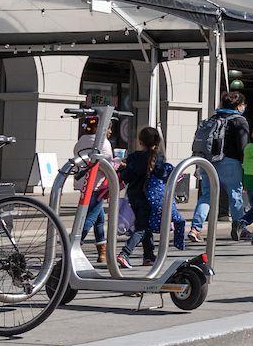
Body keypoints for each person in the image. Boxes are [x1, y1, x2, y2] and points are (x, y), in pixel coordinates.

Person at [117, 127, 185, 268]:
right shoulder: (157, 158)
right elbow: (162, 175)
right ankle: (125, 253)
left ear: (140, 141)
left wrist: (123, 167)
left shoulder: (134, 157)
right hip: (149, 198)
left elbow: (126, 176)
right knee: (142, 228)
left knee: (145, 226)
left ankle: (148, 256)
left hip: (133, 196)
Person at [189, 91, 250, 244]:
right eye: (243, 104)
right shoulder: (239, 121)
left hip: (208, 161)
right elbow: (243, 146)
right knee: (235, 195)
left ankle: (195, 229)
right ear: (238, 105)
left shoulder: (212, 118)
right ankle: (239, 228)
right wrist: (245, 166)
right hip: (230, 162)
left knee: (207, 196)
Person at [73, 114, 114, 263]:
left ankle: (101, 252)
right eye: (108, 128)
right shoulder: (104, 142)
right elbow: (107, 164)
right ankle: (75, 244)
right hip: (96, 185)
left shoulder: (82, 140)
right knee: (89, 218)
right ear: (100, 128)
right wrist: (118, 164)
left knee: (99, 219)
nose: (110, 131)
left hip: (83, 183)